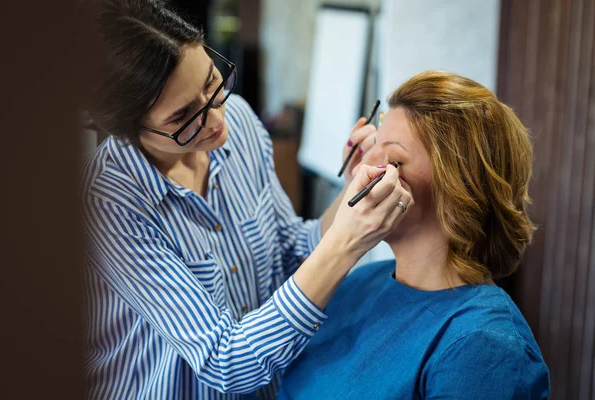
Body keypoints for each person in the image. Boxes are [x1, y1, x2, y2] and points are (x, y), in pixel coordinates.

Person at [80, 0, 412, 399]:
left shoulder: (238, 121)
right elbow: (225, 360)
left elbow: (291, 248)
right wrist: (346, 244)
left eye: (210, 82)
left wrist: (350, 193)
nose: (217, 119)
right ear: (127, 130)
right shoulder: (110, 204)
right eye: (184, 118)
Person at [278, 71, 550, 399]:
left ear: (456, 192)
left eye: (393, 159)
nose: (363, 168)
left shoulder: (483, 344)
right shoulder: (360, 282)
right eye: (372, 147)